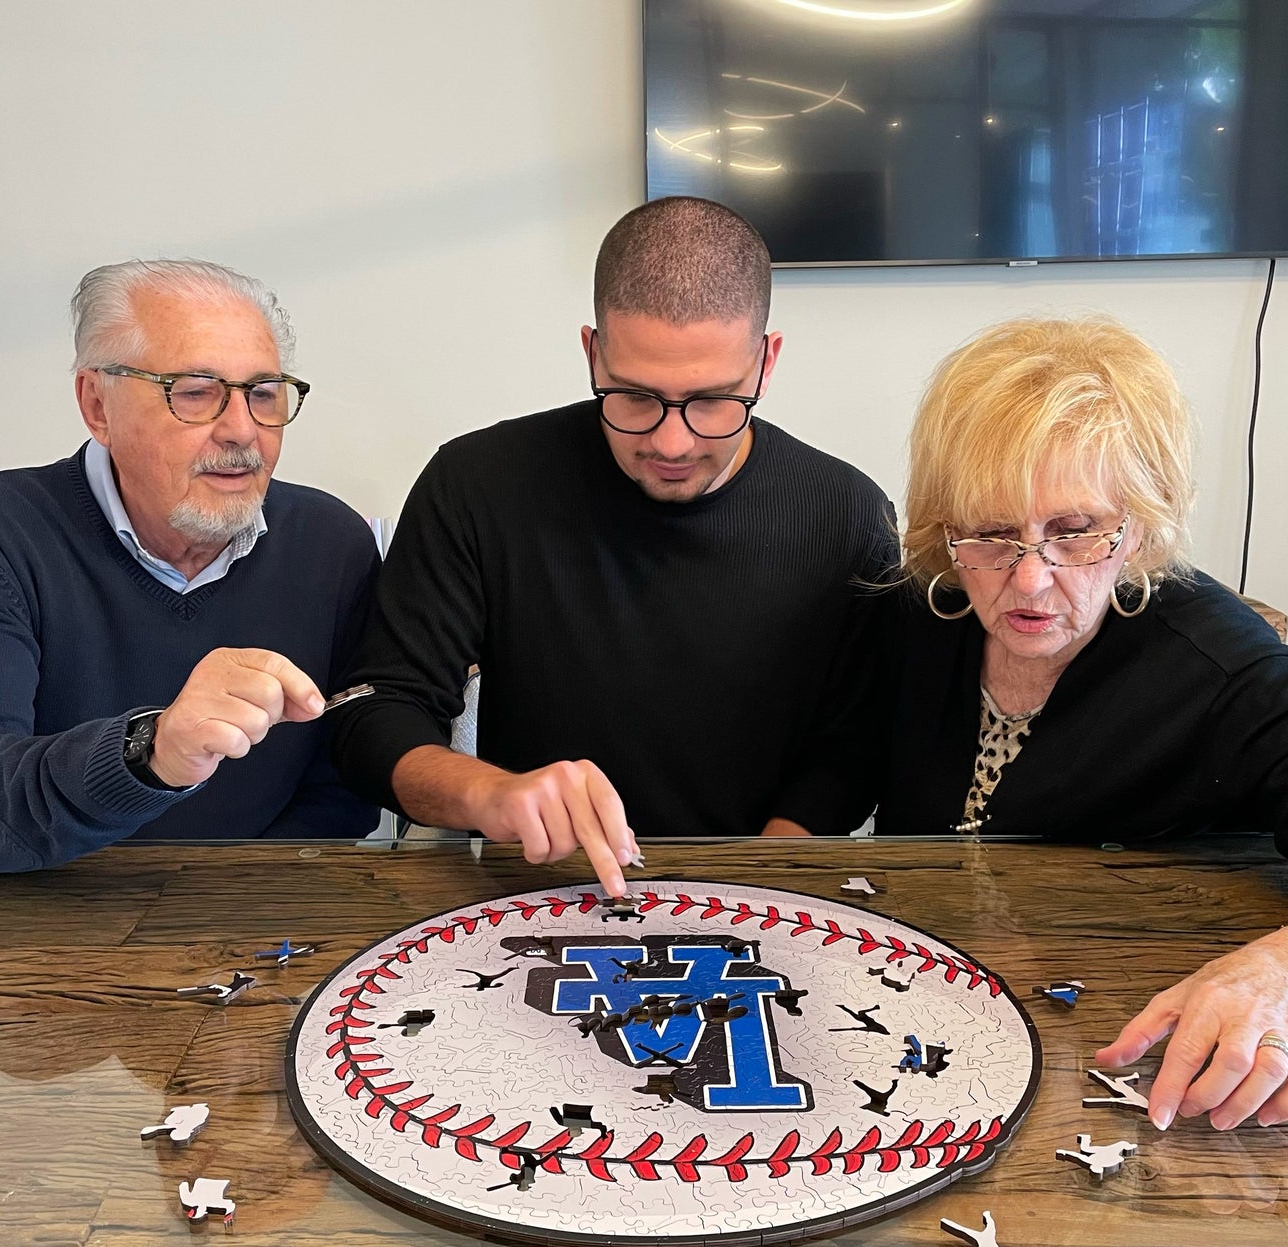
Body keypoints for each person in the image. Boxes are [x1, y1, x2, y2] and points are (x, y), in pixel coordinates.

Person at [870, 314, 1288, 1128]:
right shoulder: (921, 615)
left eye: (1074, 532)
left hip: (1148, 1079)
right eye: (992, 532)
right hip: (934, 1045)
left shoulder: (1220, 666)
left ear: (1137, 528)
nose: (1029, 580)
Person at [332, 197, 894, 894]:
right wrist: (490, 796)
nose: (671, 441)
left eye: (713, 400)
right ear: (591, 351)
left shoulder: (844, 514)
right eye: (632, 397)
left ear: (765, 363)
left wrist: (751, 879)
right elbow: (374, 713)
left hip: (761, 892)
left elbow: (856, 749)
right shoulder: (477, 483)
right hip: (530, 897)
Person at [0, 259, 381, 873]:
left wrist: (233, 915)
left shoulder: (331, 542)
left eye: (264, 393)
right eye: (195, 393)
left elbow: (340, 793)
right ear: (98, 405)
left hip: (259, 927)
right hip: (44, 927)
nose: (241, 431)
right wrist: (150, 754)